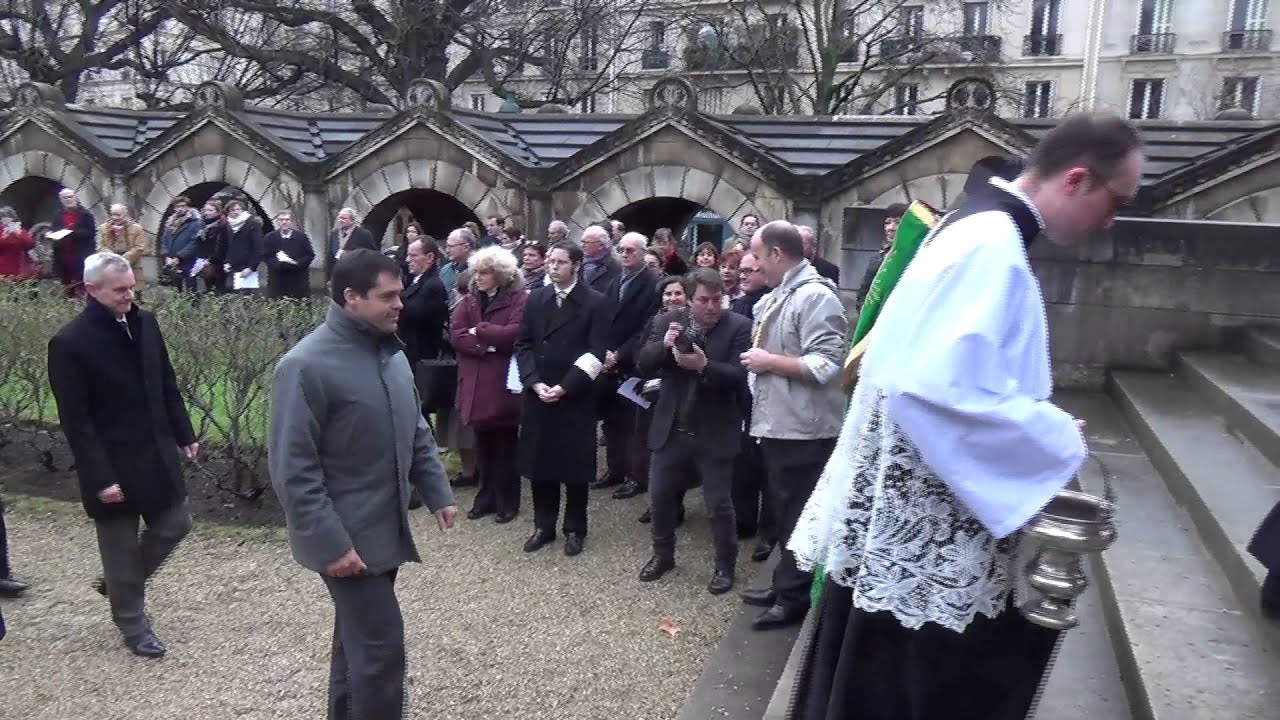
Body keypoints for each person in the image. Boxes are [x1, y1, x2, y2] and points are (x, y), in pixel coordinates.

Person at [789, 114, 1144, 720]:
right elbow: (934, 389)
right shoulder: (991, 247)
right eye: (1117, 202)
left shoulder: (977, 228)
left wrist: (1030, 420)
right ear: (1076, 179)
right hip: (924, 547)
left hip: (906, 532)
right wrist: (1053, 433)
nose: (1111, 221)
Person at [268, 248, 457, 720]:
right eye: (387, 296)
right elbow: (293, 467)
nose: (400, 304)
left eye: (400, 294)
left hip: (384, 529)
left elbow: (415, 428)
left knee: (357, 648)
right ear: (351, 297)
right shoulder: (305, 365)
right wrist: (330, 545)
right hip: (346, 538)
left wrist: (436, 490)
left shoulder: (391, 354)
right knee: (380, 653)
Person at [47, 252, 199, 658]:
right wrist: (100, 477)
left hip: (155, 451)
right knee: (119, 547)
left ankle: (118, 585)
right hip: (110, 461)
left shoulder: (145, 323)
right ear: (91, 290)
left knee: (176, 522)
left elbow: (165, 382)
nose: (129, 295)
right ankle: (133, 624)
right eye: (119, 290)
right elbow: (76, 421)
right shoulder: (69, 343)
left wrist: (184, 432)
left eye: (132, 287)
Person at [739, 221, 847, 631]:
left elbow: (827, 364)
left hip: (804, 429)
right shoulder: (781, 294)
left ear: (776, 254)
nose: (753, 265)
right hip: (779, 424)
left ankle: (794, 598)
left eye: (757, 256)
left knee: (799, 515)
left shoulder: (816, 297)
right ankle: (783, 585)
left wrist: (769, 362)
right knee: (783, 514)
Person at [635, 268, 751, 595]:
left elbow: (739, 377)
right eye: (703, 300)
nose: (711, 306)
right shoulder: (669, 321)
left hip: (715, 429)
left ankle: (725, 566)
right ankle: (663, 555)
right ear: (689, 299)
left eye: (717, 299)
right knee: (660, 496)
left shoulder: (739, 326)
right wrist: (664, 347)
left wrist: (704, 366)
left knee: (718, 505)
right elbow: (642, 363)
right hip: (672, 426)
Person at [514, 241, 610, 557]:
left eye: (560, 262)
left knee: (574, 465)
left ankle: (575, 528)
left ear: (577, 265)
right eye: (551, 261)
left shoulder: (595, 302)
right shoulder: (536, 298)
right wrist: (533, 381)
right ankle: (544, 525)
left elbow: (596, 352)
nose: (553, 267)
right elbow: (523, 344)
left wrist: (566, 386)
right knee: (540, 462)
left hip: (574, 393)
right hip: (540, 391)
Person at [450, 247, 528, 523]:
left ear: (500, 274)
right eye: (477, 272)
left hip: (501, 382)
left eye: (485, 272)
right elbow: (456, 335)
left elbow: (514, 334)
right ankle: (485, 497)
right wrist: (486, 347)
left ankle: (507, 500)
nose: (478, 277)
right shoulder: (470, 301)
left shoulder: (518, 299)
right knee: (483, 445)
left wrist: (481, 330)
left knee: (505, 445)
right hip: (475, 381)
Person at [593, 232, 660, 498]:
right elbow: (603, 317)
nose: (624, 254)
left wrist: (620, 354)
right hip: (609, 360)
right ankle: (615, 469)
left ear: (643, 252)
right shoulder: (614, 281)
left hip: (633, 361)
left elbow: (646, 327)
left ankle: (636, 475)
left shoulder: (652, 285)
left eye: (630, 250)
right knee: (611, 421)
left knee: (634, 424)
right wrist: (604, 352)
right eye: (621, 249)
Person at [857, 203, 908, 311]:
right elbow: (864, 294)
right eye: (887, 222)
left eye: (897, 222)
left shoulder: (918, 257)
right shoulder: (878, 259)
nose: (890, 228)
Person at [51, 188, 97, 297]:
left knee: (82, 286)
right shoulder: (58, 215)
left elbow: (91, 233)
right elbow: (54, 229)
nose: (68, 199)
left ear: (75, 197)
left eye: (70, 197)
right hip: (64, 257)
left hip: (81, 256)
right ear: (61, 200)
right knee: (66, 288)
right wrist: (52, 234)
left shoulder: (85, 214)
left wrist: (72, 233)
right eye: (65, 198)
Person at [97, 204, 151, 293]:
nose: (115, 217)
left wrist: (123, 259)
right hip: (111, 264)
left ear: (126, 215)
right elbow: (100, 246)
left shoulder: (137, 228)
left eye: (118, 215)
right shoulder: (104, 228)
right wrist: (112, 257)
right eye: (113, 214)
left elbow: (140, 247)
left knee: (132, 291)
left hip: (132, 264)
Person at [262, 211, 316, 299]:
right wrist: (278, 264)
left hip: (297, 279)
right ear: (277, 221)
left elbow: (309, 255)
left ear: (292, 221)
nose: (284, 222)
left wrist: (297, 263)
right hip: (277, 279)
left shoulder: (301, 237)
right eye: (281, 220)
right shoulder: (270, 237)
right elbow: (266, 256)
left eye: (287, 220)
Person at [158, 197, 203, 292]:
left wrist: (179, 257)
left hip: (189, 260)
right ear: (174, 208)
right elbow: (164, 240)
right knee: (176, 288)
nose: (180, 209)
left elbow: (194, 242)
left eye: (183, 206)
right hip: (172, 260)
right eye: (178, 206)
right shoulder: (170, 222)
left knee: (191, 288)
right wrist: (166, 256)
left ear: (188, 207)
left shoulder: (195, 222)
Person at [224, 199, 265, 294]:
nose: (236, 212)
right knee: (232, 295)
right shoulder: (228, 226)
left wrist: (251, 267)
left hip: (247, 267)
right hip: (232, 267)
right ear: (228, 212)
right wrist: (226, 262)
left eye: (238, 209)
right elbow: (226, 246)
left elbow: (258, 248)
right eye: (232, 210)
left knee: (247, 295)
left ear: (243, 210)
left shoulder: (253, 225)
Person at [579, 224, 619, 293]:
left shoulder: (615, 266)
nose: (582, 245)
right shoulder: (578, 261)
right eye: (581, 242)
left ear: (601, 245)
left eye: (585, 242)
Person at [0, 207, 36, 281]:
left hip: (18, 265)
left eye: (8, 217)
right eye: (2, 217)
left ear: (13, 218)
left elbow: (29, 244)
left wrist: (19, 235)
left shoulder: (20, 230)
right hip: (2, 265)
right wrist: (4, 237)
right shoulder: (1, 231)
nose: (5, 219)